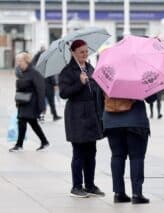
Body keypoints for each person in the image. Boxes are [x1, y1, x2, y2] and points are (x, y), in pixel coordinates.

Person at [59, 39, 105, 198]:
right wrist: (79, 83)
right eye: (81, 52)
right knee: (78, 151)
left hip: (91, 113)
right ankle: (76, 186)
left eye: (86, 51)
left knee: (91, 151)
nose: (85, 55)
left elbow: (96, 89)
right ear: (73, 53)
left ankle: (90, 185)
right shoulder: (67, 71)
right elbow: (64, 93)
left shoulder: (90, 67)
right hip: (77, 114)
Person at [101, 94, 157, 204]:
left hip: (111, 120)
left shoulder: (109, 77)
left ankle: (118, 193)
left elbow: (99, 99)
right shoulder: (138, 76)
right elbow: (151, 99)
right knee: (136, 157)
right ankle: (137, 194)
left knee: (117, 156)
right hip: (135, 120)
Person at [9, 52, 49, 152]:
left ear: (26, 61)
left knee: (23, 122)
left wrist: (42, 107)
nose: (18, 63)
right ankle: (44, 142)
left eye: (20, 61)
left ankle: (19, 145)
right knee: (30, 122)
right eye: (17, 61)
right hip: (23, 102)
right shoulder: (22, 72)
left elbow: (41, 90)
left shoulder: (34, 72)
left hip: (31, 103)